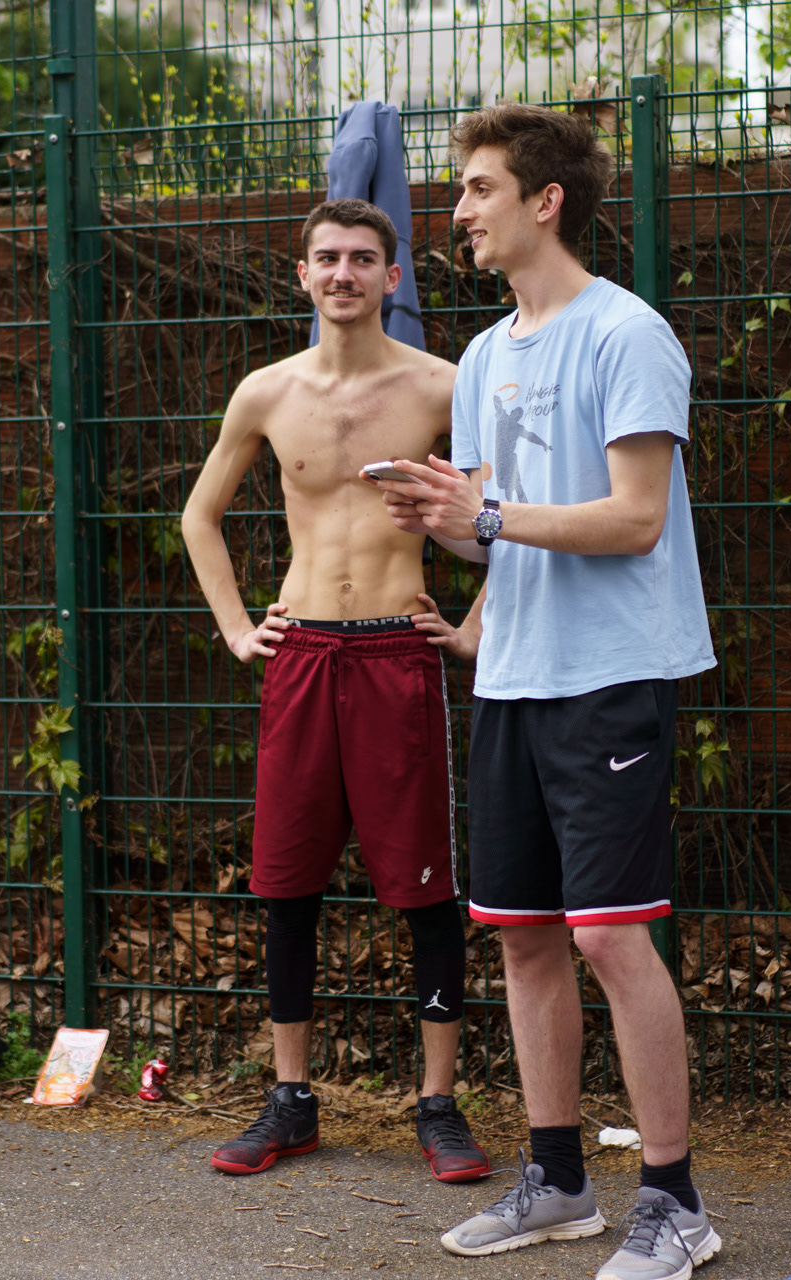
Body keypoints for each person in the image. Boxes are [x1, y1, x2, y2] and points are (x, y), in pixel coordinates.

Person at [373, 105, 719, 1280]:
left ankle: (675, 1202)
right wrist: (434, 511)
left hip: (611, 674)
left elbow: (634, 518)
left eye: (478, 188)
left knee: (610, 933)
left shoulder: (628, 334)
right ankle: (561, 1179)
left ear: (544, 200)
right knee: (521, 934)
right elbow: (489, 527)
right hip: (513, 675)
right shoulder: (484, 355)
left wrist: (480, 511)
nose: (459, 211)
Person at [181, 197, 492, 1185]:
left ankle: (437, 1103)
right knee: (287, 884)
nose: (344, 273)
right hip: (303, 652)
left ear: (393, 277)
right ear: (304, 274)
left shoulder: (445, 385)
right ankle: (292, 1098)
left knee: (426, 888)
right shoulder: (267, 392)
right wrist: (240, 630)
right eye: (328, 258)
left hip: (400, 654)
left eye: (363, 258)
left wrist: (475, 627)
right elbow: (199, 517)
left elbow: (507, 512)